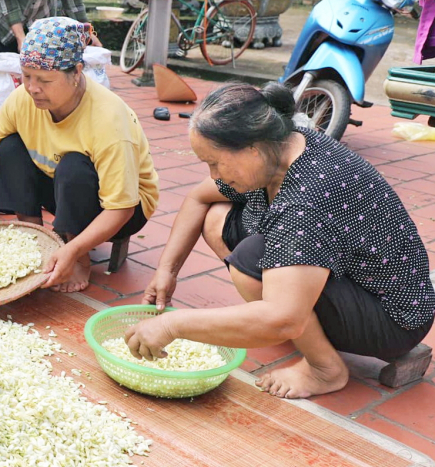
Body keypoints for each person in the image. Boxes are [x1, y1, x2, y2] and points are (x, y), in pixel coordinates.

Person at [129, 82, 435, 399]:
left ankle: (325, 369)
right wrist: (167, 269)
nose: (214, 175)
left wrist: (172, 326)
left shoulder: (305, 199)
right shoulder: (283, 147)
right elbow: (197, 197)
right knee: (216, 216)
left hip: (393, 318)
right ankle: (290, 313)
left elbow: (284, 320)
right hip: (347, 275)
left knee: (250, 263)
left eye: (215, 162)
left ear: (252, 148)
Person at [0, 17, 159, 293]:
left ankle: (78, 255)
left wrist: (76, 248)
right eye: (27, 76)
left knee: (74, 164)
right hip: (62, 188)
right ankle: (37, 239)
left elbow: (122, 207)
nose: (32, 88)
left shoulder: (108, 119)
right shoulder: (23, 99)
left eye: (44, 80)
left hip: (123, 209)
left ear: (77, 72)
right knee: (8, 146)